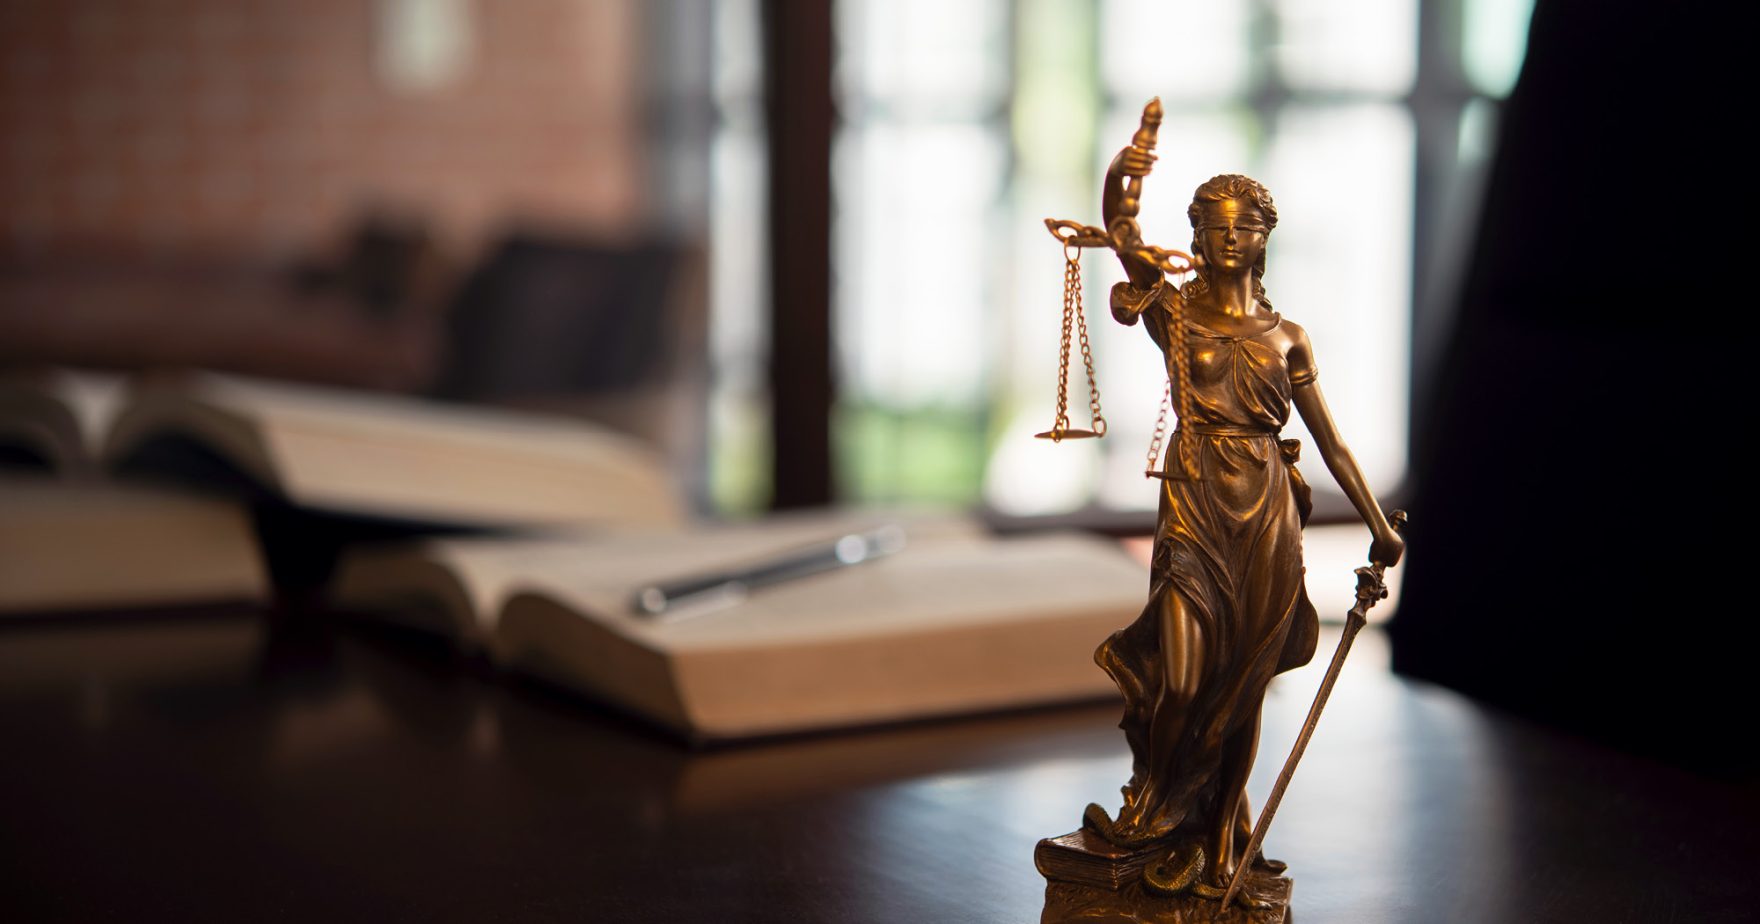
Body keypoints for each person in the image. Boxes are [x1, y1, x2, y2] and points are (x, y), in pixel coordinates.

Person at [1080, 159, 1405, 900]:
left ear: (1264, 240)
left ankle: (1224, 832)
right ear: (1196, 236)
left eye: (1244, 227)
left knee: (1246, 681)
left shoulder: (1288, 337)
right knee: (1185, 679)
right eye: (1215, 226)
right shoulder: (1174, 312)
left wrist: (1380, 527)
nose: (1230, 237)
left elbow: (1334, 444)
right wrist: (1120, 183)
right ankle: (1156, 804)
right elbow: (1123, 233)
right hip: (1194, 505)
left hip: (1264, 514)